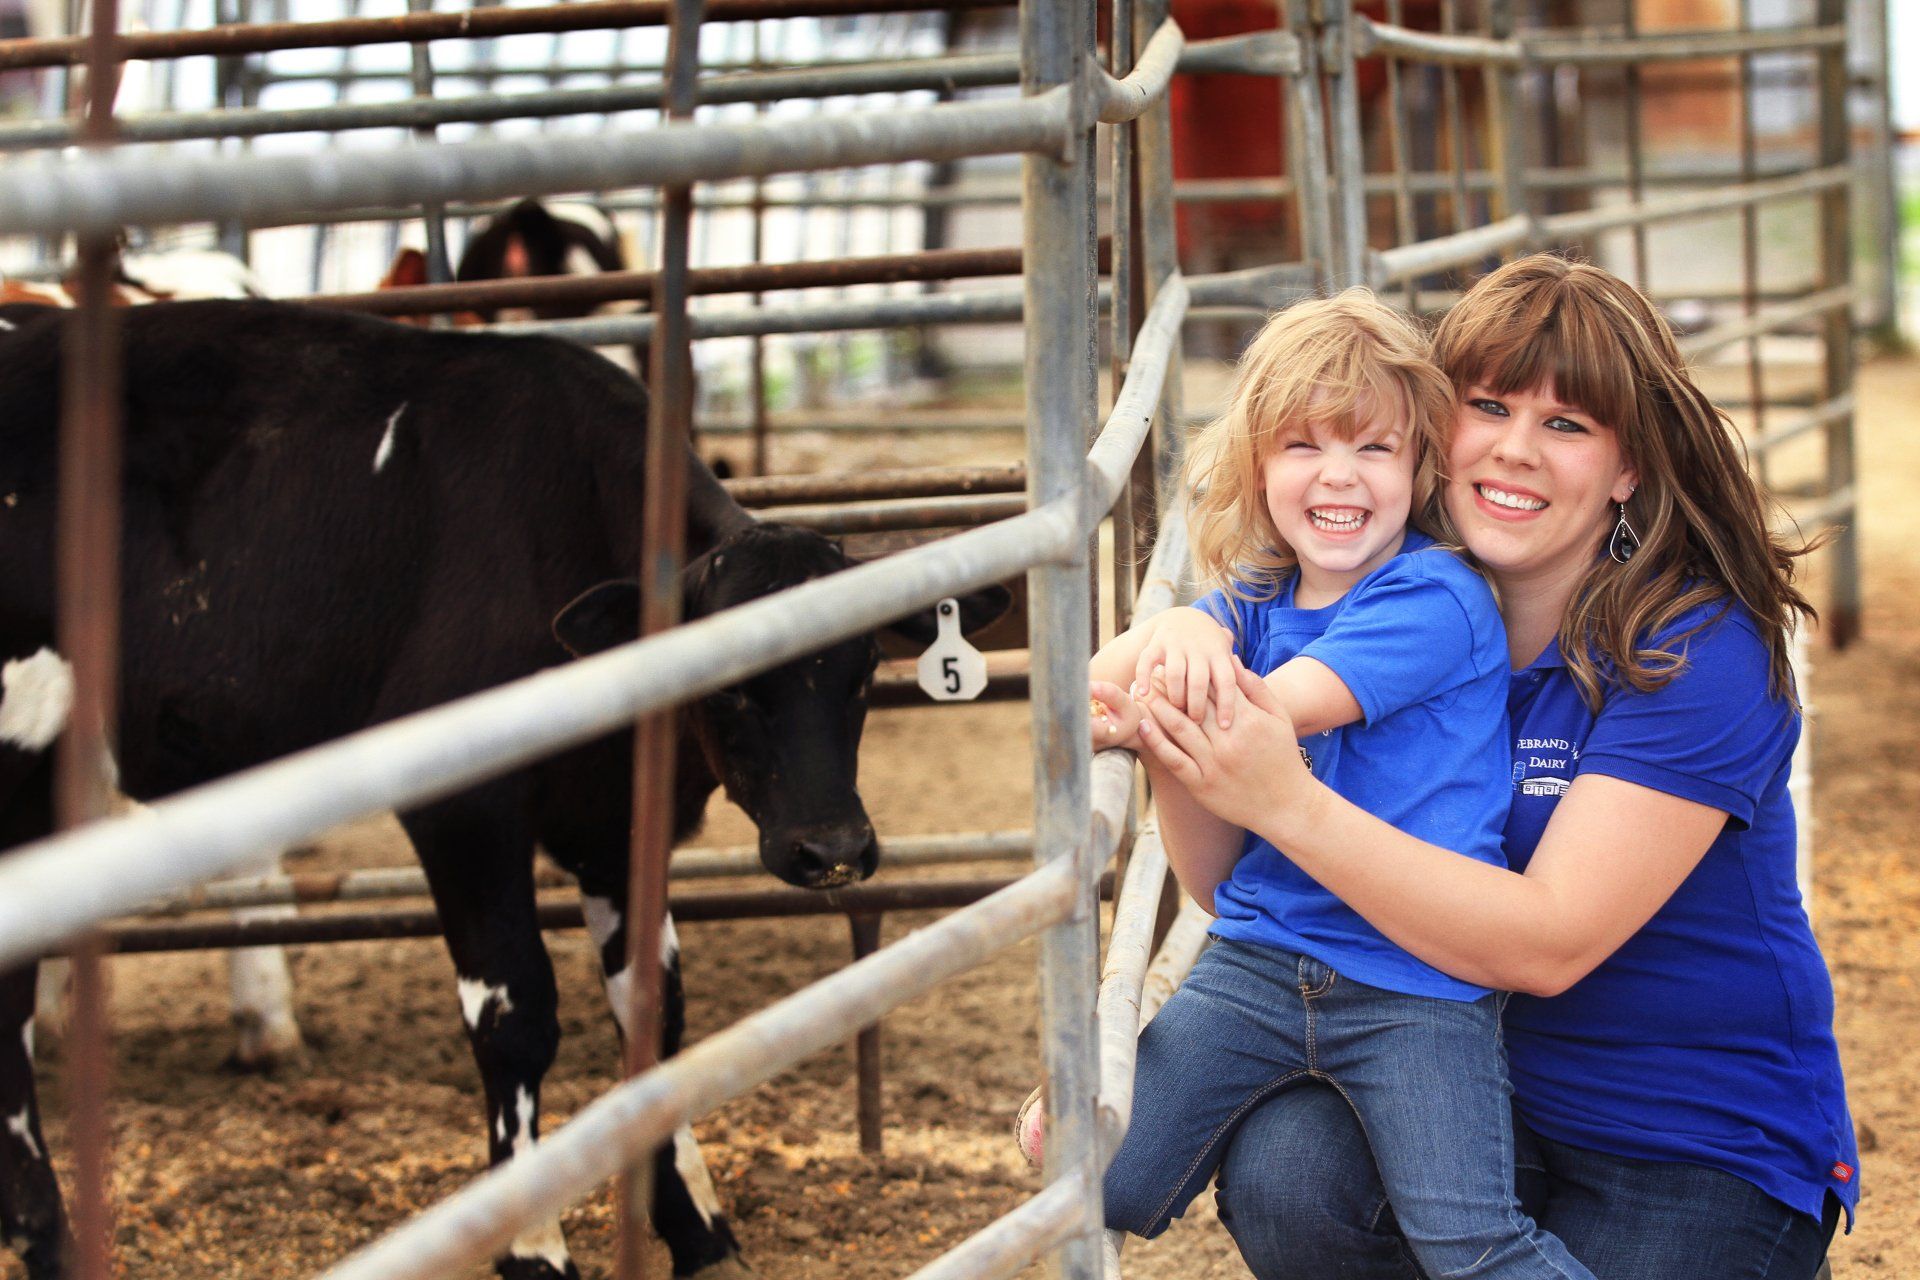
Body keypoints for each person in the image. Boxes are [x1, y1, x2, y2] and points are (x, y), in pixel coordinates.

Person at [1130, 254, 1855, 1280]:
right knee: (1290, 1171)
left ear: (1629, 467)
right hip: (1467, 1079)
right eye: (1489, 405)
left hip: (1692, 1134)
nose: (1516, 450)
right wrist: (1184, 693)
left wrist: (1285, 795)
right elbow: (1243, 878)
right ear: (1435, 427)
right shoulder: (1381, 616)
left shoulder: (1693, 650)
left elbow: (1552, 943)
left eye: (1567, 424)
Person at [1020, 289, 1595, 1279]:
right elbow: (1090, 690)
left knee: (1474, 1244)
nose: (1339, 475)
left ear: (1420, 469)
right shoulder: (1253, 595)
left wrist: (1168, 683)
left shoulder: (1437, 596)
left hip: (1418, 984)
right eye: (1302, 446)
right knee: (1092, 1171)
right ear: (1255, 464)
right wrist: (1187, 625)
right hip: (1258, 955)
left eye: (1373, 448)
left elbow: (1263, 715)